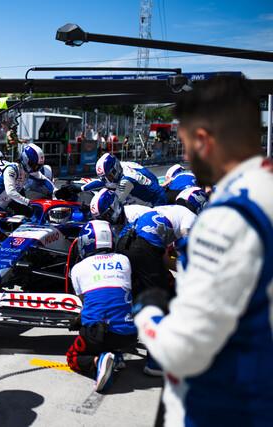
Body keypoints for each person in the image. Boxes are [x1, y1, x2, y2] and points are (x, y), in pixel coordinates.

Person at [132, 76, 273, 427]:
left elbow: (184, 347)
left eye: (186, 145)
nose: (185, 156)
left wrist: (148, 312)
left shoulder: (225, 218)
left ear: (204, 140)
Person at [66, 220, 137, 392]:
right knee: (115, 313)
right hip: (129, 334)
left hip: (97, 333)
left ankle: (98, 362)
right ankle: (115, 356)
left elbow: (87, 304)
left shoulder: (78, 269)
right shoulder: (124, 260)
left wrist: (79, 321)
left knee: (72, 357)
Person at [0, 143, 56, 243]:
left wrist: (56, 192)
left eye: (38, 166)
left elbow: (44, 180)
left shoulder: (29, 171)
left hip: (7, 204)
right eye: (34, 165)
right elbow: (11, 192)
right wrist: (28, 202)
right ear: (26, 160)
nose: (35, 169)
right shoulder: (12, 169)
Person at [82, 153, 167, 206]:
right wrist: (82, 188)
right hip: (154, 189)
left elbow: (114, 204)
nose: (108, 180)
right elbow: (150, 175)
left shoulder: (126, 181)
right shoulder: (124, 164)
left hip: (155, 202)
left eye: (110, 176)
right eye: (105, 178)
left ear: (115, 168)